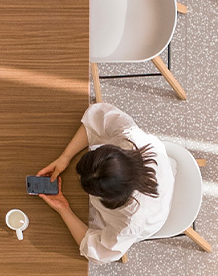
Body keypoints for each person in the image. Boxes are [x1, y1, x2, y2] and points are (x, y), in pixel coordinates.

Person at [33, 102, 175, 263]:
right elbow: (98, 119)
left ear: (109, 198)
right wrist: (65, 157)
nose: (77, 178)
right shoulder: (129, 137)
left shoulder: (130, 221)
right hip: (160, 175)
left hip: (153, 216)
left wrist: (64, 209)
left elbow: (99, 253)